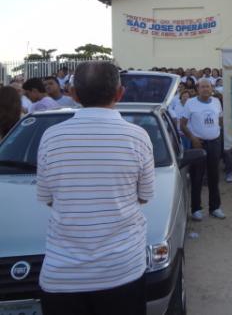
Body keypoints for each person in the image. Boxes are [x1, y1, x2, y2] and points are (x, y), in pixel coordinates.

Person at [36, 62, 154, 315]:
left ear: (74, 94)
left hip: (62, 275)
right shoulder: (138, 137)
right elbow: (144, 197)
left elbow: (48, 198)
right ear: (120, 93)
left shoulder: (51, 137)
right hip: (122, 270)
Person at [181, 78, 226, 220]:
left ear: (212, 88)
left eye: (208, 86)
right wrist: (193, 138)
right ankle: (196, 209)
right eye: (203, 87)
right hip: (198, 144)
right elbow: (182, 125)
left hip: (215, 142)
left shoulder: (216, 102)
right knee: (197, 177)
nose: (206, 89)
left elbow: (220, 120)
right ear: (198, 88)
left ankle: (215, 207)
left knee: (214, 176)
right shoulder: (190, 103)